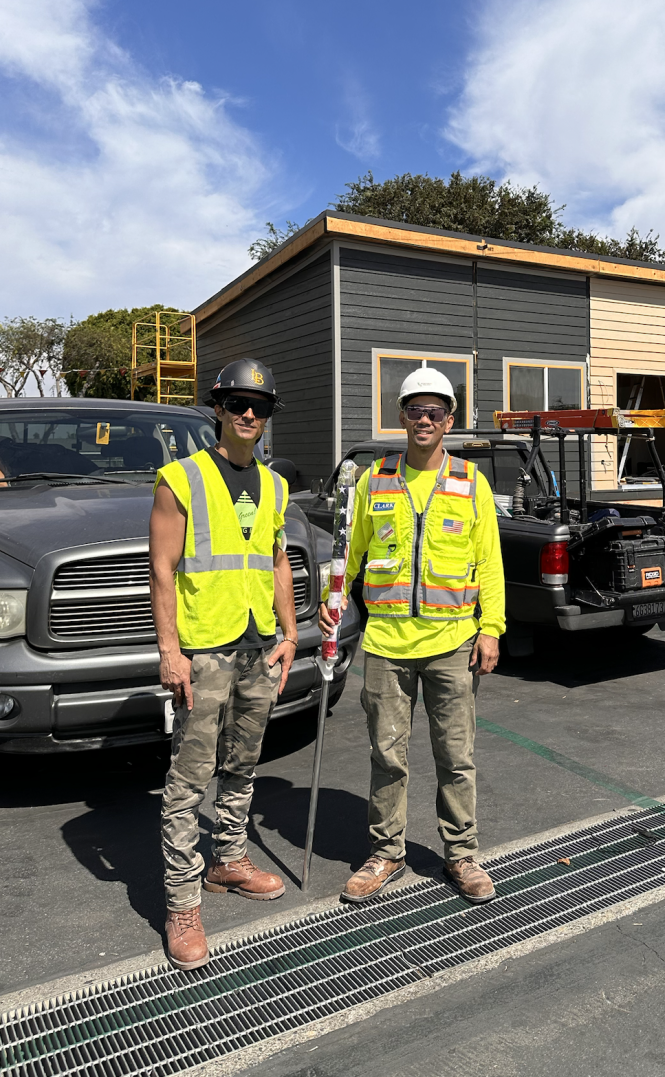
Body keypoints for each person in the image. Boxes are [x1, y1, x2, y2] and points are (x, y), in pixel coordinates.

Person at [321, 367, 505, 906]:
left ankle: (462, 854)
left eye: (435, 412)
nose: (424, 420)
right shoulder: (372, 480)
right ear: (400, 416)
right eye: (415, 411)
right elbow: (348, 557)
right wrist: (332, 606)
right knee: (387, 756)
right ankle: (386, 853)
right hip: (386, 646)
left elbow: (489, 564)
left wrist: (490, 629)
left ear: (449, 421)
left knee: (456, 756)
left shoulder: (472, 482)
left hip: (453, 644)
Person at [150, 358, 298, 971]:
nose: (247, 414)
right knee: (188, 780)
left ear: (266, 418)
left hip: (257, 647)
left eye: (258, 407)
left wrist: (290, 633)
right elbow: (162, 569)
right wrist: (170, 652)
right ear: (217, 408)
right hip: (204, 651)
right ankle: (182, 902)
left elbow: (277, 562)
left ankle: (228, 861)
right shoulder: (178, 478)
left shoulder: (276, 485)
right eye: (237, 403)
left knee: (242, 764)